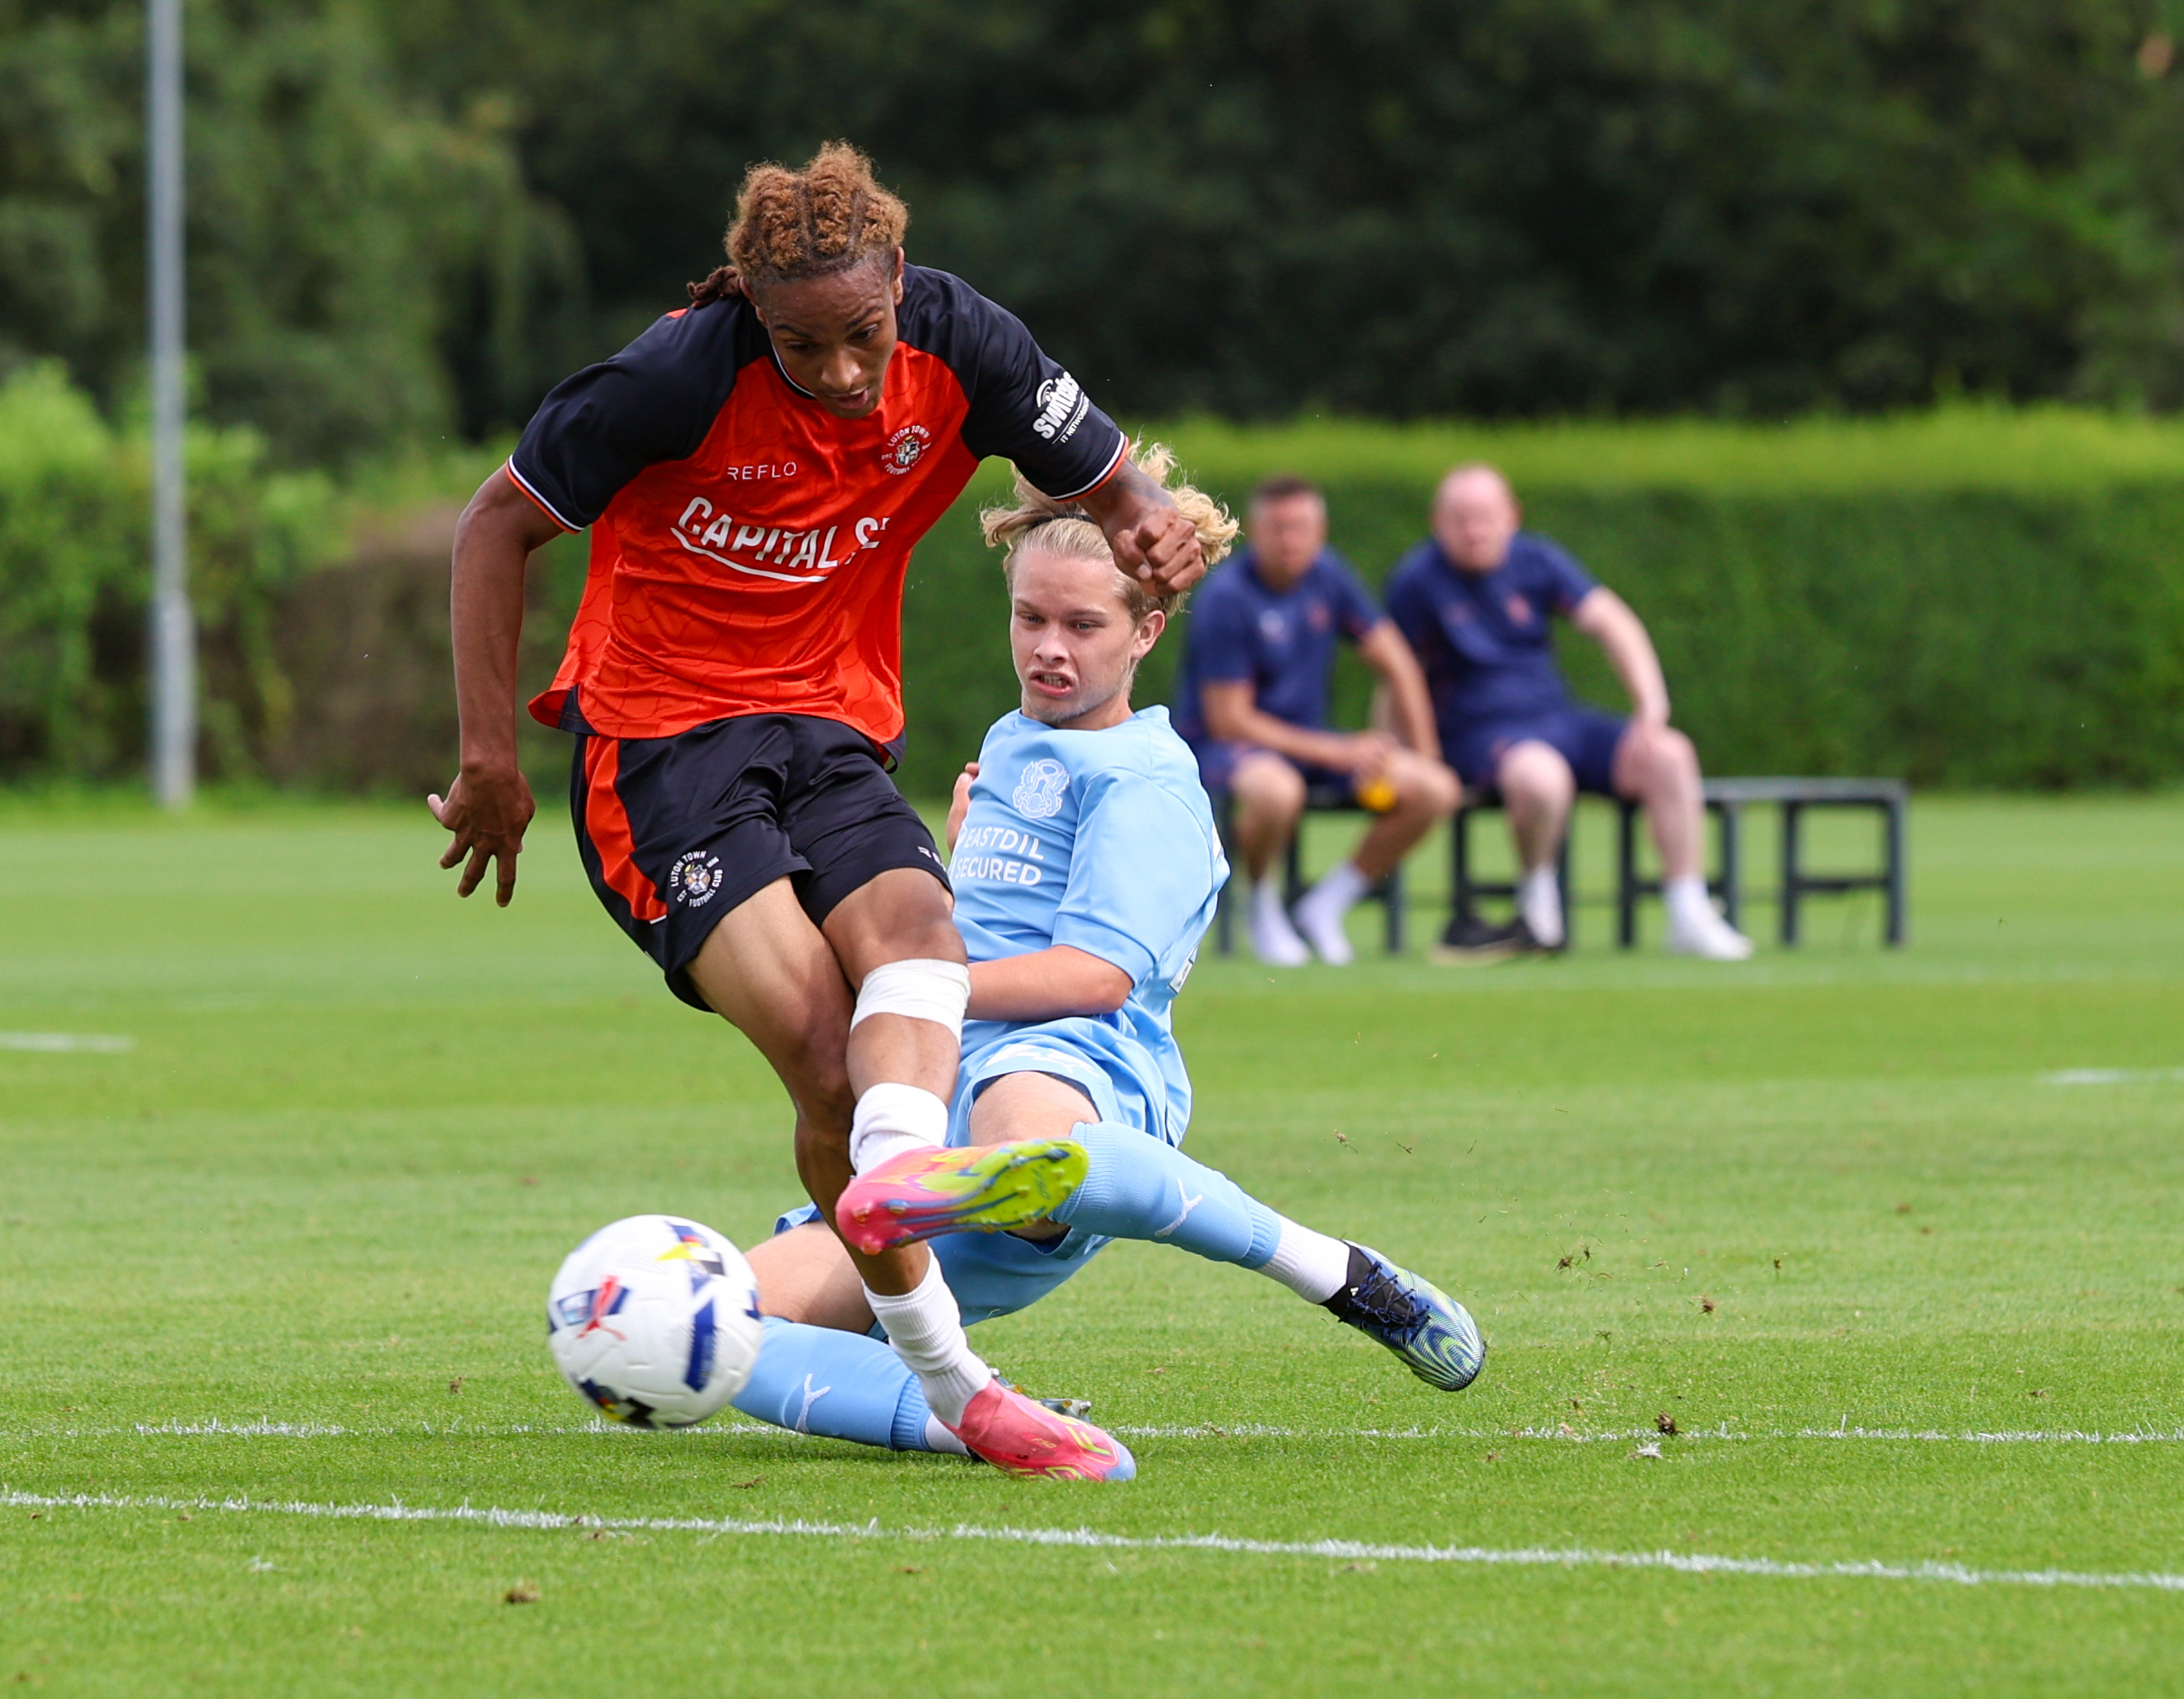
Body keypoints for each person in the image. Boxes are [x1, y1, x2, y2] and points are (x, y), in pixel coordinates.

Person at [432, 144, 1205, 1482]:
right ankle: (961, 1384)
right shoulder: (673, 375)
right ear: (748, 304)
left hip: (830, 724)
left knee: (919, 935)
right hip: (661, 747)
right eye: (804, 346)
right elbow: (493, 525)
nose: (844, 371)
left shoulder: (964, 344)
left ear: (899, 280)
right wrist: (489, 758)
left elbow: (1115, 489)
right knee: (818, 1045)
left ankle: (898, 1168)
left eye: (863, 335)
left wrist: (1151, 527)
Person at [729, 458, 1485, 1463]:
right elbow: (981, 926)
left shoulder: (1146, 782)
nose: (1047, 649)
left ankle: (1330, 1270)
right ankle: (989, 1426)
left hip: (1071, 1057)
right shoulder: (1007, 744)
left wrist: (908, 987)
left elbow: (1094, 977)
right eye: (1028, 618)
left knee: (1023, 1131)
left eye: (1081, 627)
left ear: (1145, 632)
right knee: (719, 1326)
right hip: (931, 1081)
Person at [1383, 463, 1754, 960]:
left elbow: (1611, 621)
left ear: (1511, 516)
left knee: (1670, 753)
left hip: (1559, 719)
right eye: (1461, 518)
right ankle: (1539, 906)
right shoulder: (1416, 580)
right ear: (1437, 521)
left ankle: (1687, 910)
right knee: (1542, 775)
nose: (1474, 530)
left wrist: (1651, 706)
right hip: (1480, 733)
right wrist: (1399, 749)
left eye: (1485, 516)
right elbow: (1395, 675)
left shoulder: (1536, 559)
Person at [1175, 476, 1460, 967]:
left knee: (1436, 788)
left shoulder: (1330, 576)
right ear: (1255, 532)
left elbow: (1398, 663)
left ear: (1321, 530)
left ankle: (1327, 905)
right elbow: (1230, 720)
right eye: (1279, 528)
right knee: (1276, 790)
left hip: (1310, 748)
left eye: (1302, 527)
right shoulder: (1227, 597)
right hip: (1225, 750)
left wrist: (1423, 752)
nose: (1291, 540)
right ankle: (1260, 903)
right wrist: (1336, 750)